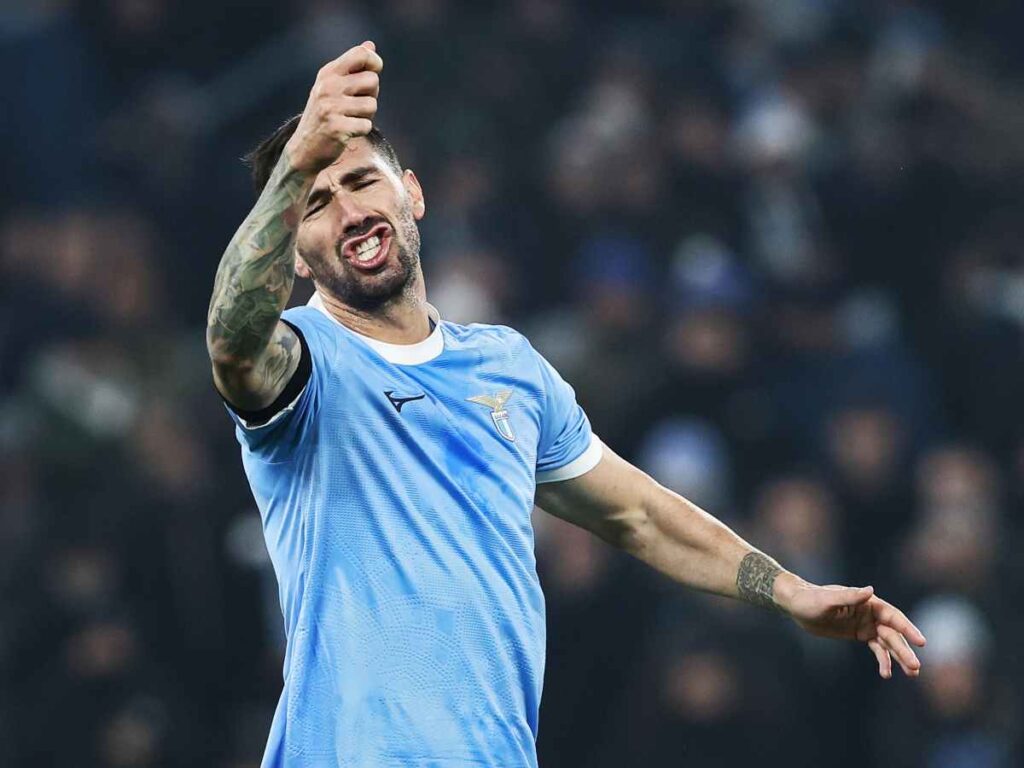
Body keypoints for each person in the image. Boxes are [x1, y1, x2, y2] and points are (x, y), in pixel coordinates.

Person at [206, 41, 927, 768]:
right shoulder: (303, 359)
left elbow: (639, 514)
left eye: (361, 181)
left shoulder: (507, 367)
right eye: (316, 204)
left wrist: (792, 592)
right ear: (294, 254)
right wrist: (299, 158)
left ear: (413, 194)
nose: (351, 213)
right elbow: (233, 339)